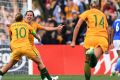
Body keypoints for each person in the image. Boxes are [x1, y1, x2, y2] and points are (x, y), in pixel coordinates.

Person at [70, 1, 110, 80]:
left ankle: (87, 79)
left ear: (90, 6)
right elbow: (108, 30)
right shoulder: (103, 15)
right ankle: (92, 54)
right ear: (98, 7)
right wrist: (108, 45)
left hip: (90, 38)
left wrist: (73, 41)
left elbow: (77, 26)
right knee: (93, 63)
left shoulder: (87, 12)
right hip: (102, 39)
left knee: (87, 62)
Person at [23, 10, 63, 80]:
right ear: (25, 16)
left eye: (30, 15)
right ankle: (49, 78)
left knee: (40, 63)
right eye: (28, 15)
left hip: (32, 47)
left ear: (33, 17)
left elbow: (45, 28)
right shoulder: (21, 24)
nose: (29, 16)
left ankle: (44, 78)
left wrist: (56, 28)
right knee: (40, 62)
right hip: (26, 47)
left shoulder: (35, 24)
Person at [0, 13, 41, 80]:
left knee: (10, 64)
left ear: (15, 19)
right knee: (39, 62)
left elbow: (10, 37)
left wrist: (11, 46)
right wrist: (38, 38)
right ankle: (47, 78)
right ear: (22, 19)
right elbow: (33, 33)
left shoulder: (12, 26)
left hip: (16, 48)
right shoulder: (26, 25)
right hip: (26, 47)